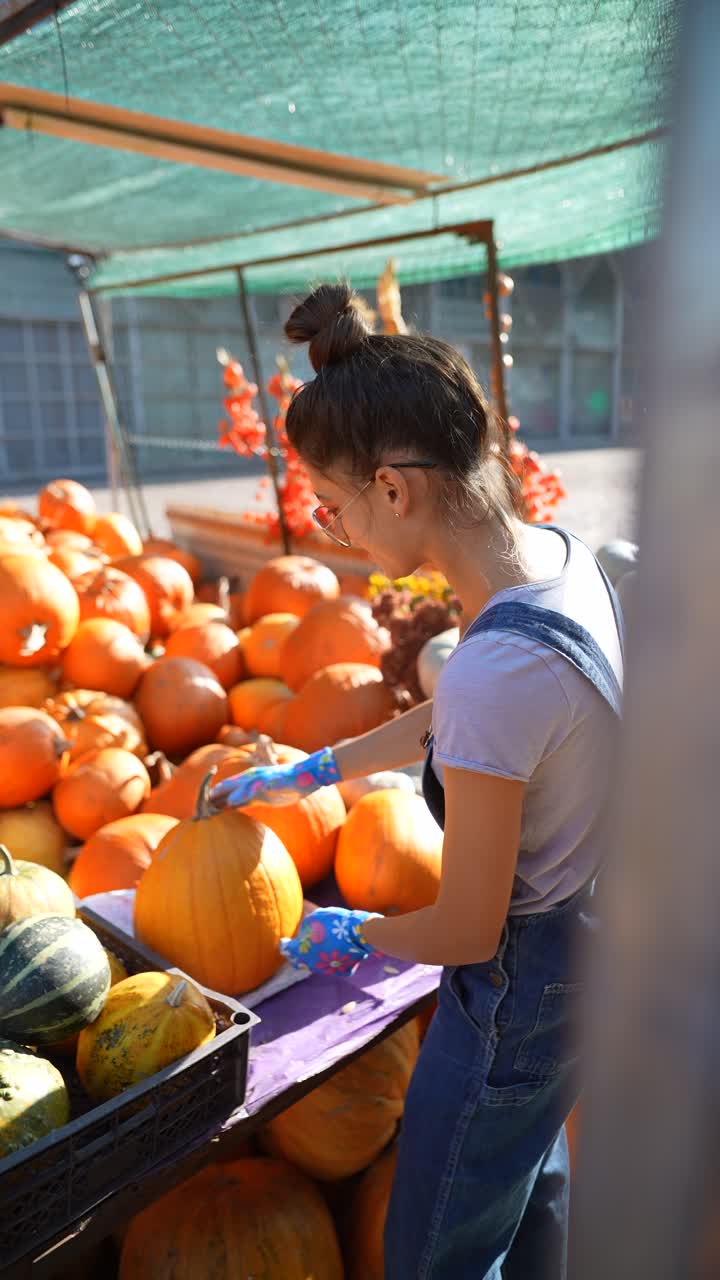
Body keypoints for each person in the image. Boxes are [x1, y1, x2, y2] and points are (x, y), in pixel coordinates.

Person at [211, 282, 623, 1279]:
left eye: (334, 502)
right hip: (590, 942)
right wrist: (315, 766)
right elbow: (476, 719)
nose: (331, 524)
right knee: (528, 1171)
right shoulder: (551, 567)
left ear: (394, 489)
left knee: (436, 1241)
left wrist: (345, 935)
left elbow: (467, 929)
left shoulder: (494, 665)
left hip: (516, 981)